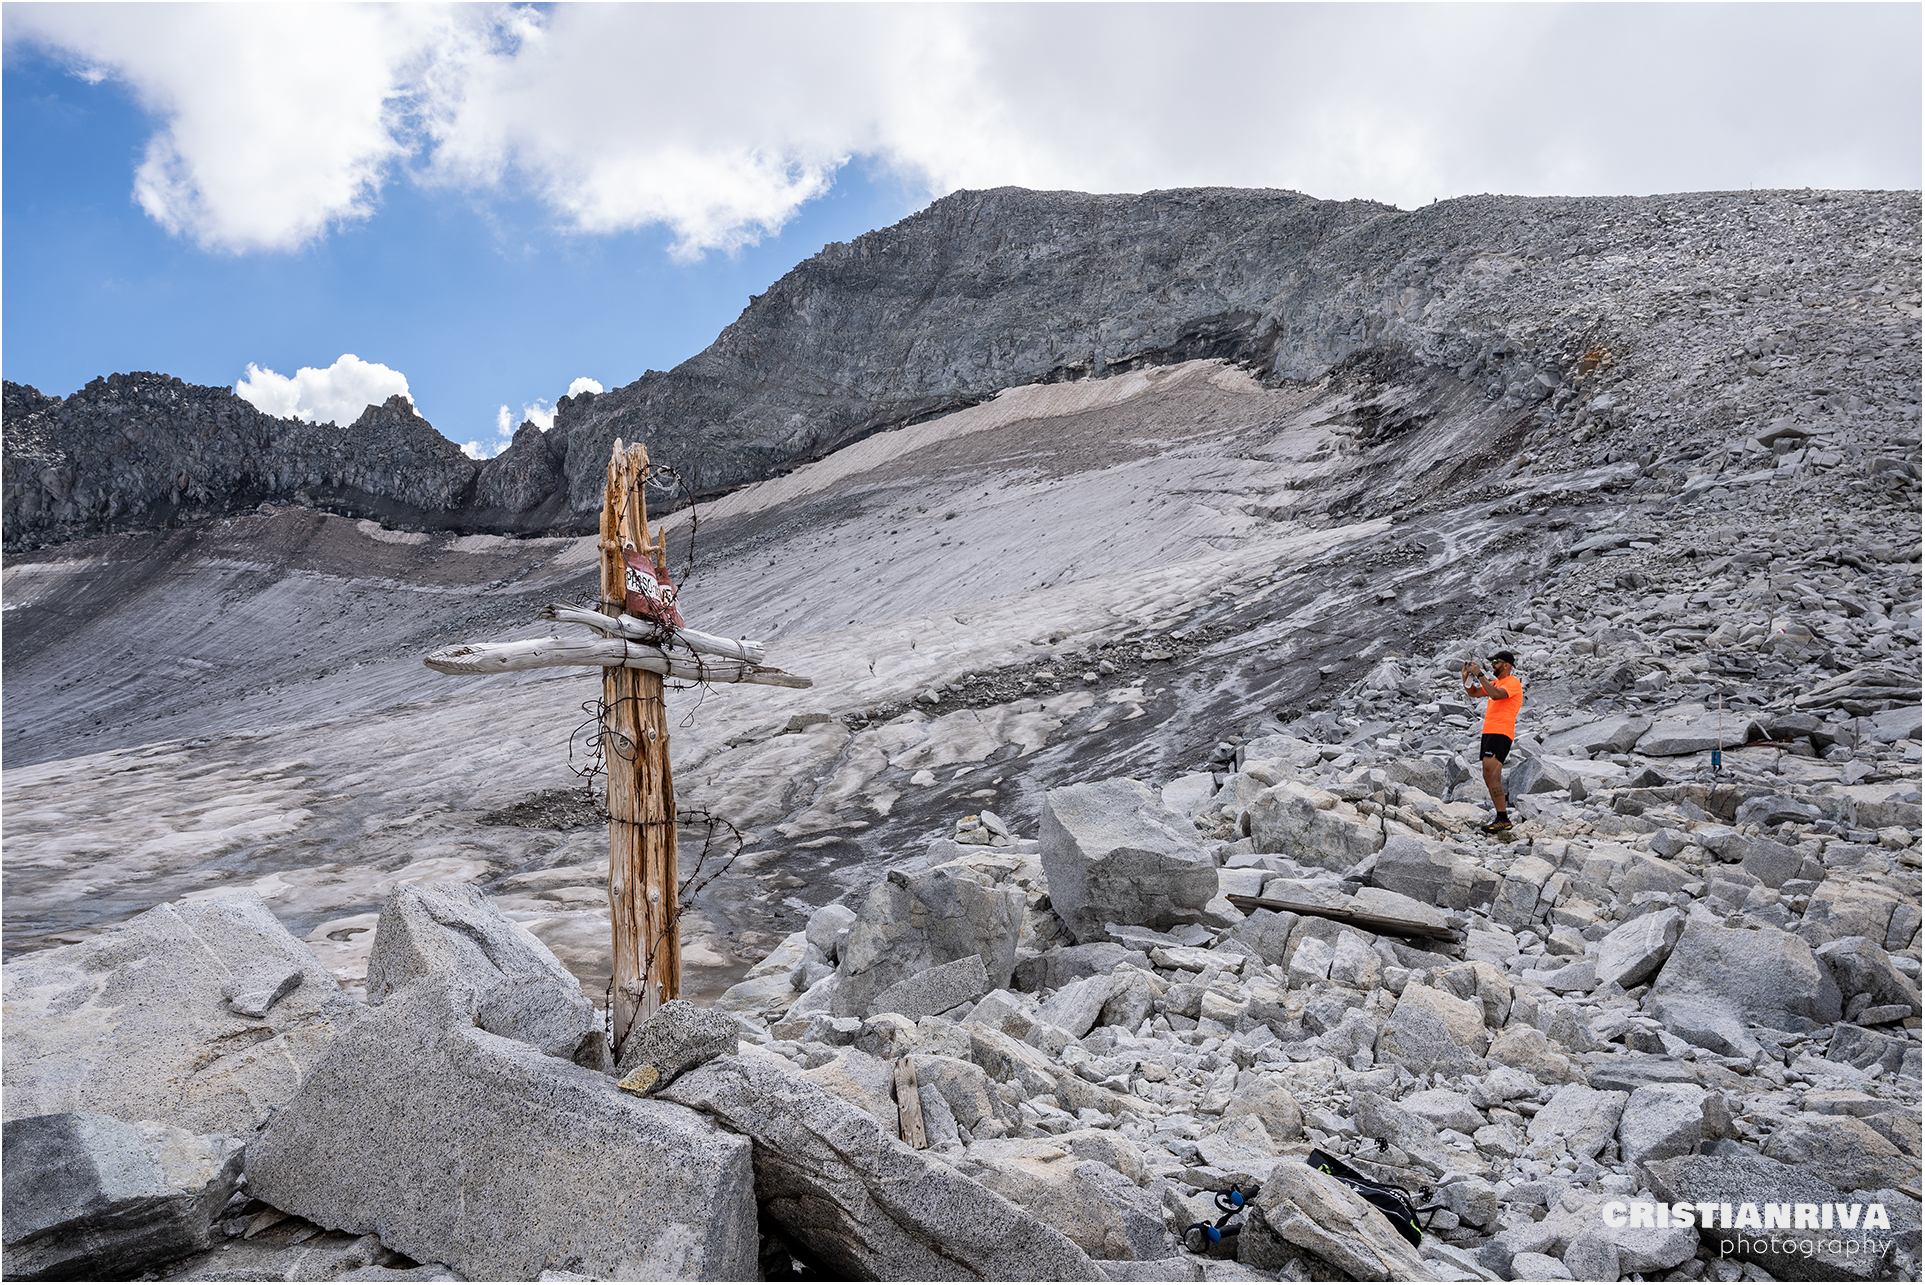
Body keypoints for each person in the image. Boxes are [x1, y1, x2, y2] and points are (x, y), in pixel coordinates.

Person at [1462, 650, 1523, 834]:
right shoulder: (1496, 682)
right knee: (1490, 775)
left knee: (1490, 774)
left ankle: (1502, 818)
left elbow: (1496, 695)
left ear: (1507, 665)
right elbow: (1473, 692)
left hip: (1501, 732)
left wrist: (1480, 674)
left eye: (1496, 661)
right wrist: (1467, 677)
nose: (1492, 664)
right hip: (1490, 732)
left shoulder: (1512, 682)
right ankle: (1501, 817)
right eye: (1492, 661)